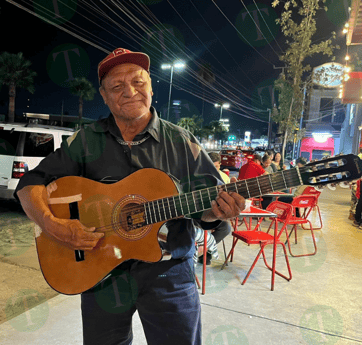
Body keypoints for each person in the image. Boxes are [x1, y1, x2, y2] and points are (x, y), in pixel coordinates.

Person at [15, 48, 245, 345]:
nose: (130, 92)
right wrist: (52, 225)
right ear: (104, 95)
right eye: (117, 86)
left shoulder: (182, 142)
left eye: (138, 82)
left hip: (169, 276)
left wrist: (219, 212)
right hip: (100, 274)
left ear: (151, 86)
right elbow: (30, 183)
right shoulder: (85, 141)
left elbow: (207, 211)